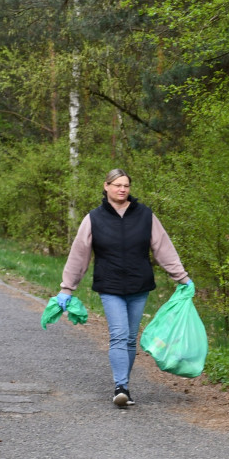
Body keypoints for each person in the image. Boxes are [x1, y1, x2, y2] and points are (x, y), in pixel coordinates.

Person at [54, 168, 191, 408]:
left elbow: (163, 249)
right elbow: (79, 256)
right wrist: (67, 288)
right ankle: (120, 387)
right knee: (118, 335)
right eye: (117, 185)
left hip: (139, 285)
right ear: (106, 186)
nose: (122, 189)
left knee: (129, 339)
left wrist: (182, 277)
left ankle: (124, 385)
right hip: (111, 286)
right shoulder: (94, 219)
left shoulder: (145, 215)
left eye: (126, 185)